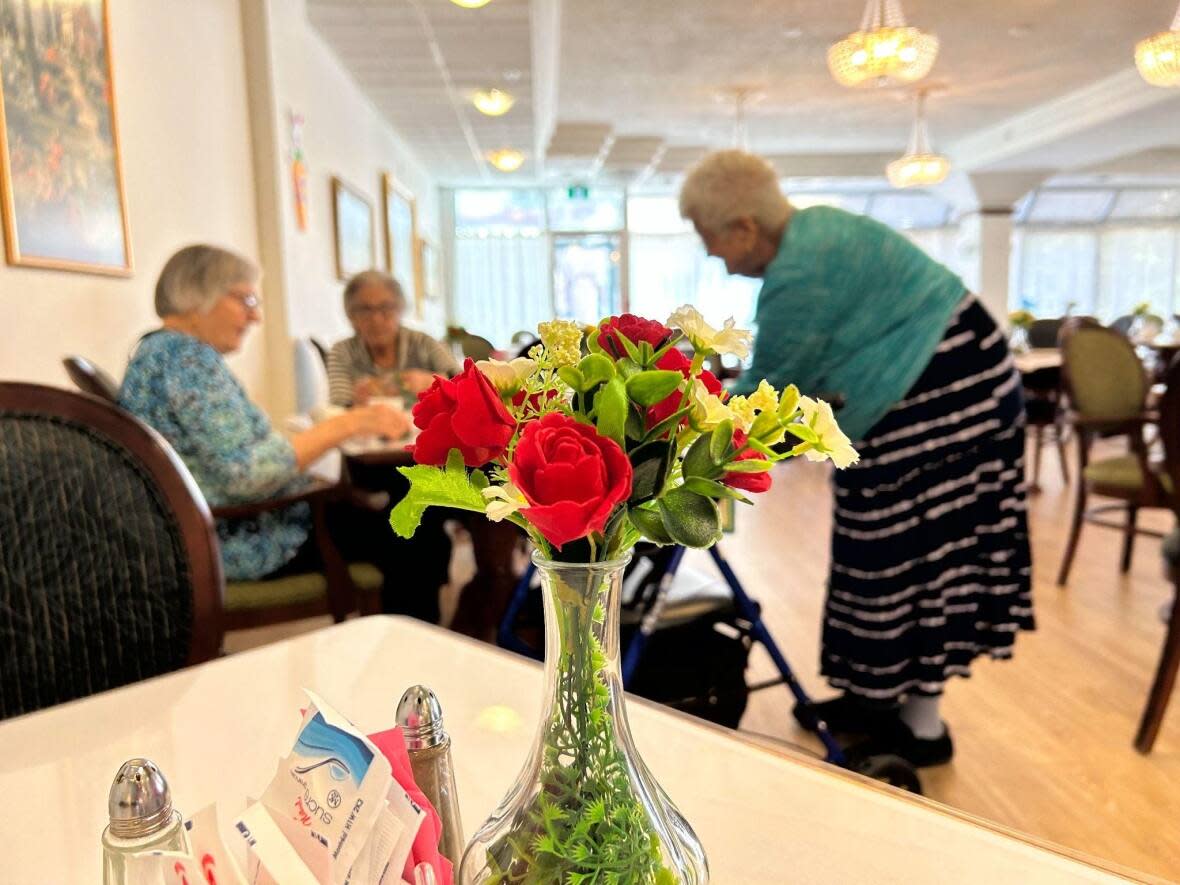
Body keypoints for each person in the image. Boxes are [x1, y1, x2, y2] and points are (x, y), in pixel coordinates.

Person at [679, 150, 1034, 766]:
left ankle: (920, 727)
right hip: (950, 384)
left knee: (915, 559)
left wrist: (685, 436)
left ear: (744, 227)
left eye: (710, 238)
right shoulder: (815, 232)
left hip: (952, 397)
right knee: (881, 548)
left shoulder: (803, 268)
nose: (713, 254)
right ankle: (877, 698)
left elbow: (769, 394)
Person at [119, 245, 440, 619]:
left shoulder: (158, 353)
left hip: (216, 524)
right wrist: (354, 422)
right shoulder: (187, 361)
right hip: (246, 539)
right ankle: (415, 654)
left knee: (408, 506)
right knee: (417, 529)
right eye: (246, 299)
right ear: (198, 295)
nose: (255, 316)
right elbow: (248, 474)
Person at [327, 270, 457, 407]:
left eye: (386, 307)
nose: (376, 319)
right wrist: (355, 401)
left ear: (401, 309)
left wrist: (431, 382)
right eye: (365, 310)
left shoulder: (423, 342)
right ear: (351, 315)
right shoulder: (342, 351)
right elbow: (339, 405)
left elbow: (464, 384)